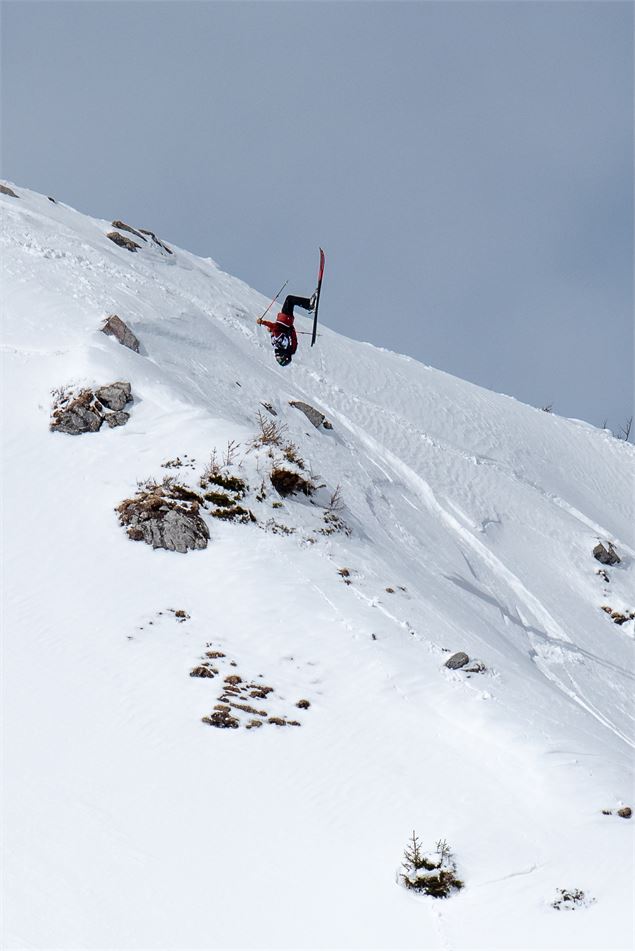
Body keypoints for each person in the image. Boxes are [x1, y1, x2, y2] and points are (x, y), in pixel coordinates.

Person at [257, 293, 316, 366]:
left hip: (287, 321)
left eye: (277, 359)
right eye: (279, 358)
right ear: (284, 357)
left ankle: (309, 305)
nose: (277, 357)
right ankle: (309, 305)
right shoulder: (278, 343)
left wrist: (291, 328)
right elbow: (274, 327)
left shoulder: (290, 349)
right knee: (289, 299)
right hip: (284, 319)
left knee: (290, 301)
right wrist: (263, 322)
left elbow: (293, 339)